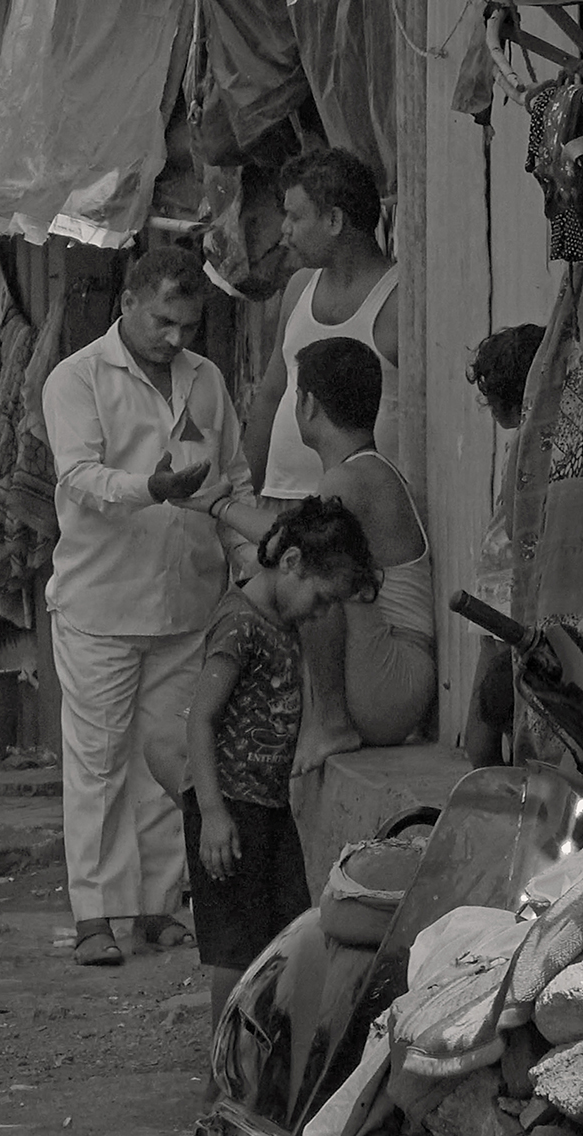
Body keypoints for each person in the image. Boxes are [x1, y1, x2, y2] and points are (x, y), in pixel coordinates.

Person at [41, 246, 256, 968]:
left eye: (188, 326)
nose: (175, 338)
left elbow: (234, 480)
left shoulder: (206, 379)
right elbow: (78, 477)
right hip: (101, 601)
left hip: (188, 597)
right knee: (99, 762)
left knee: (172, 757)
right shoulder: (77, 378)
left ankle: (160, 907)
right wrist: (151, 490)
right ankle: (96, 915)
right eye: (163, 320)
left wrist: (249, 569)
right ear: (129, 301)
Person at [185, 496, 380, 1026]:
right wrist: (212, 814)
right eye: (320, 600)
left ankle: (267, 1057)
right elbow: (200, 720)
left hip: (266, 807)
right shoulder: (238, 626)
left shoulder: (282, 621)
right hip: (229, 809)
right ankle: (222, 1076)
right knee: (235, 950)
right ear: (291, 563)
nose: (320, 614)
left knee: (289, 934)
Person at [194, 338, 434, 752]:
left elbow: (287, 540)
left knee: (310, 574)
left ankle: (334, 725)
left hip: (394, 681)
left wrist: (218, 505)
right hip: (391, 678)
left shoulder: (351, 478)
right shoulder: (364, 469)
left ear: (307, 405)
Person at [241, 147, 398, 497]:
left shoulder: (399, 302)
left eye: (295, 217)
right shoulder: (298, 287)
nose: (284, 230)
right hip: (279, 503)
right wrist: (242, 494)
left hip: (353, 519)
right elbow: (270, 395)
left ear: (334, 221)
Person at [463, 324, 545, 765]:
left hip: (494, 586)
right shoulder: (540, 441)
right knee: (513, 698)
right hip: (514, 586)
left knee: (489, 699)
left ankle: (486, 784)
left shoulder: (522, 442)